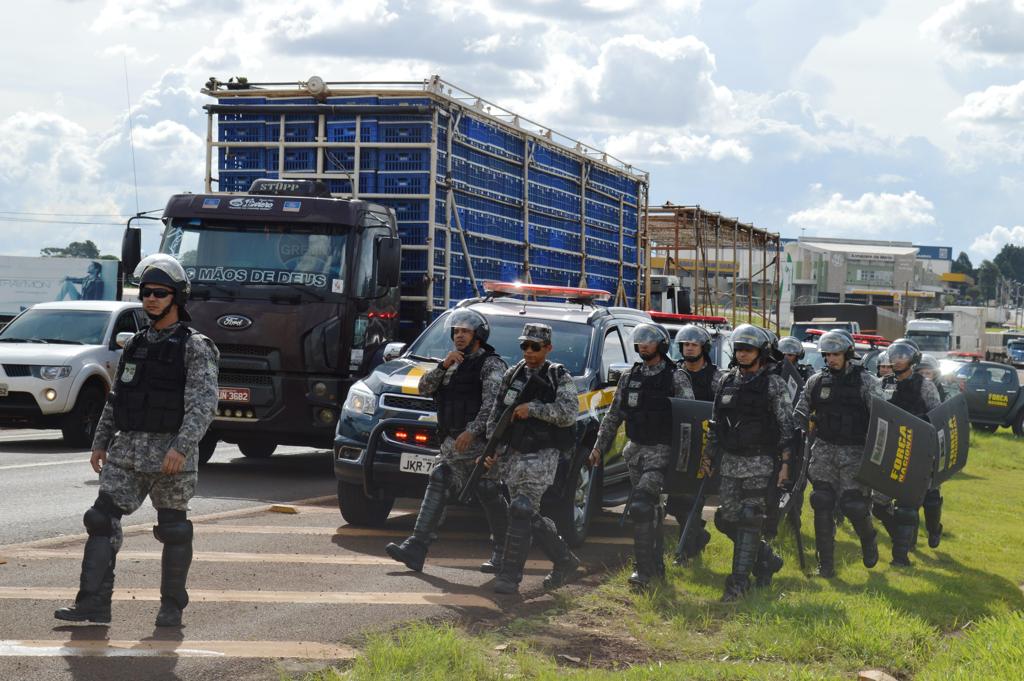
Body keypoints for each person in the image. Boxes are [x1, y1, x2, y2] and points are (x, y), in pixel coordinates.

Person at [54, 254, 219, 627]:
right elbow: (117, 398)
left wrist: (182, 447)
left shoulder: (196, 346)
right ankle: (93, 603)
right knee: (100, 519)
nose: (151, 299)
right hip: (127, 453)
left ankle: (171, 607)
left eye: (160, 293)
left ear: (177, 297)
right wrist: (100, 441)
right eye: (146, 293)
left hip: (170, 458)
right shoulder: (135, 344)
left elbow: (203, 405)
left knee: (174, 529)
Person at [385, 309, 507, 573]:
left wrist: (472, 431)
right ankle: (417, 547)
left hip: (480, 445)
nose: (459, 336)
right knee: (440, 477)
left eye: (465, 331)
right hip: (451, 444)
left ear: (478, 335)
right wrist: (443, 366)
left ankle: (504, 551)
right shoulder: (451, 363)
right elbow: (423, 388)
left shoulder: (491, 365)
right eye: (456, 331)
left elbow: (493, 406)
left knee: (488, 491)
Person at [589, 324, 694, 589]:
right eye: (640, 340)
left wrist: (686, 460)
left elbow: (688, 419)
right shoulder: (629, 377)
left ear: (661, 344)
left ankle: (642, 570)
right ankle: (656, 565)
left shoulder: (676, 377)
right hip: (635, 453)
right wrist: (599, 447)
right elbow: (614, 415)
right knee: (651, 510)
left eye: (649, 340)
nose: (643, 344)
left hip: (662, 452)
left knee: (641, 506)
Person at [701, 324, 795, 601]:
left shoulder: (773, 384)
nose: (742, 354)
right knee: (725, 518)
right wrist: (708, 455)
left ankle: (738, 584)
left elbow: (787, 428)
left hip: (760, 462)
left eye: (748, 350)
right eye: (739, 349)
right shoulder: (726, 381)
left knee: (749, 517)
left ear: (761, 353)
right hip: (731, 462)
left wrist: (786, 465)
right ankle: (766, 558)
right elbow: (716, 423)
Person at [485, 323, 580, 594]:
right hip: (514, 454)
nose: (528, 351)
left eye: (535, 347)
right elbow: (496, 415)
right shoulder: (512, 374)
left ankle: (509, 576)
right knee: (525, 513)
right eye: (524, 345)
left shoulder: (558, 376)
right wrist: (491, 450)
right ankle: (564, 559)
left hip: (543, 453)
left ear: (548, 348)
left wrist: (534, 409)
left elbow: (569, 413)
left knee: (521, 508)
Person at [793, 331, 883, 577]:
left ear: (847, 355)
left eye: (836, 354)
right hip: (824, 450)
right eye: (827, 355)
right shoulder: (816, 382)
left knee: (853, 505)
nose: (830, 359)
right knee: (821, 501)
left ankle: (868, 539)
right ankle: (826, 566)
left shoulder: (867, 382)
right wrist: (797, 431)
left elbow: (882, 420)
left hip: (855, 452)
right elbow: (800, 412)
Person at [875, 338, 941, 566]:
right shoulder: (882, 385)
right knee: (878, 505)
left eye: (902, 355)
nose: (897, 359)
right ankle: (901, 536)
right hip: (889, 451)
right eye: (894, 355)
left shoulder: (925, 386)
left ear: (913, 359)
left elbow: (937, 419)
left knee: (907, 507)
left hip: (916, 453)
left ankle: (900, 556)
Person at [667, 324, 721, 565]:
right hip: (679, 443)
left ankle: (685, 553)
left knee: (693, 499)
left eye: (694, 344)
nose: (689, 348)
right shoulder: (673, 373)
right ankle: (698, 536)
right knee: (677, 501)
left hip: (705, 443)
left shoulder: (717, 378)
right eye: (685, 344)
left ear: (703, 348)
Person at [916, 352, 948, 548]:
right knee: (908, 498)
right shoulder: (909, 390)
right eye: (921, 373)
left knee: (931, 497)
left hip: (933, 449)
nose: (925, 376)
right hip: (911, 446)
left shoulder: (944, 394)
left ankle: (934, 529)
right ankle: (907, 542)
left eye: (928, 373)